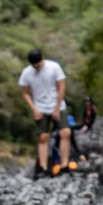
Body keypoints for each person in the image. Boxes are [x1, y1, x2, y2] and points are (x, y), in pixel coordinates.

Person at [19, 48, 75, 178]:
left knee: (65, 132)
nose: (37, 67)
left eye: (38, 64)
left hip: (57, 105)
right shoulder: (27, 73)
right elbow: (25, 93)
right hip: (40, 107)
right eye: (34, 65)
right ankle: (43, 168)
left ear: (43, 58)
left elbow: (61, 86)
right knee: (43, 137)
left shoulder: (54, 67)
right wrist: (34, 109)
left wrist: (56, 108)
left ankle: (64, 164)